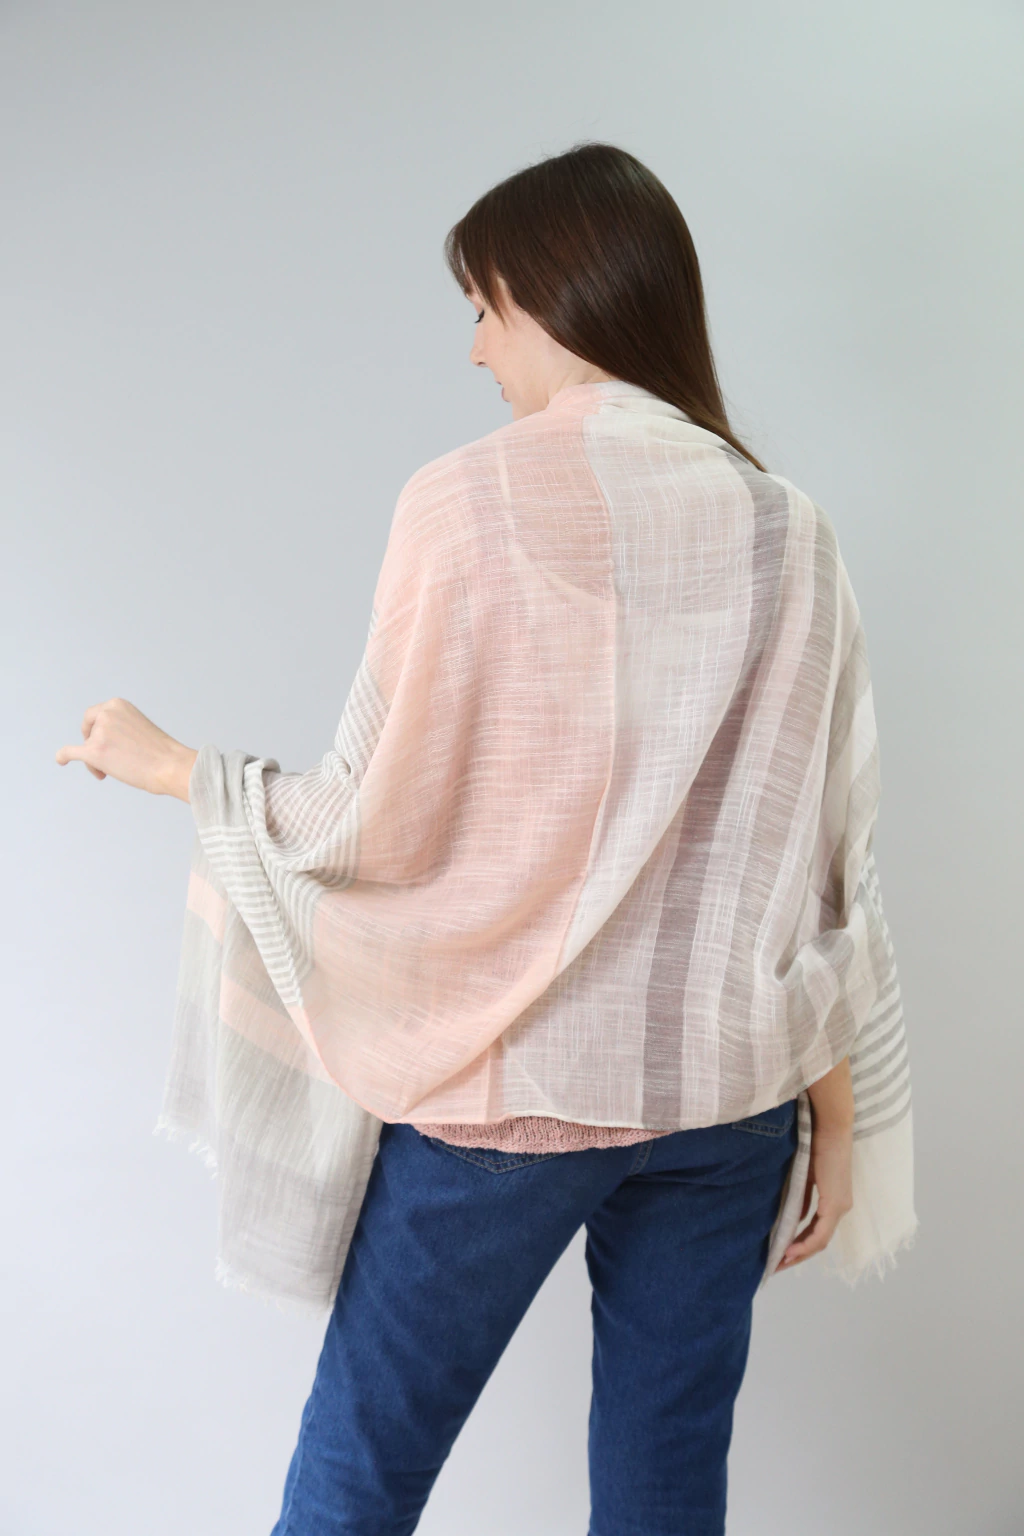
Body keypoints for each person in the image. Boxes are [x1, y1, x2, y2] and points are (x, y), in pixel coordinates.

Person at [56, 142, 914, 1536]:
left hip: (517, 1092)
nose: (473, 350)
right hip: (731, 1099)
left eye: (482, 307)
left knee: (359, 1473)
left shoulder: (464, 503)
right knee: (666, 1485)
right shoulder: (790, 531)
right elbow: (821, 860)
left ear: (554, 294)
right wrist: (833, 1104)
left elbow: (366, 818)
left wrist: (175, 770)